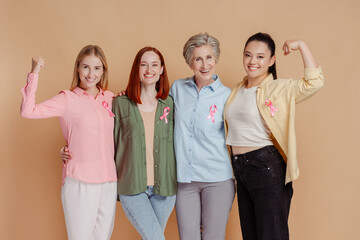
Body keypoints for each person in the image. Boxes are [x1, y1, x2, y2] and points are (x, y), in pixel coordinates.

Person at [224, 32, 324, 240]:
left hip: (266, 167)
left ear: (271, 60)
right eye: (248, 55)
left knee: (272, 235)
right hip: (240, 169)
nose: (253, 61)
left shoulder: (278, 88)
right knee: (251, 235)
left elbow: (314, 83)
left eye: (260, 57)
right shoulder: (236, 90)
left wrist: (302, 44)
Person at [20, 45, 117, 240]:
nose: (91, 74)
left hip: (108, 181)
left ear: (103, 70)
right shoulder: (67, 99)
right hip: (79, 181)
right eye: (86, 67)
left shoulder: (112, 98)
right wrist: (34, 73)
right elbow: (27, 111)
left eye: (97, 68)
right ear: (78, 68)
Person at [170, 33, 235, 240]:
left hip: (218, 179)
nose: (204, 64)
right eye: (198, 58)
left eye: (209, 57)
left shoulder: (228, 95)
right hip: (185, 179)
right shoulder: (177, 89)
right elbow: (156, 119)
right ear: (190, 62)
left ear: (215, 59)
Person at [113, 46, 177, 240]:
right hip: (132, 188)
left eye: (154, 65)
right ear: (136, 69)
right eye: (144, 65)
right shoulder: (120, 103)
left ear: (162, 69)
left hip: (164, 189)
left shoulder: (170, 104)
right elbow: (108, 143)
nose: (149, 70)